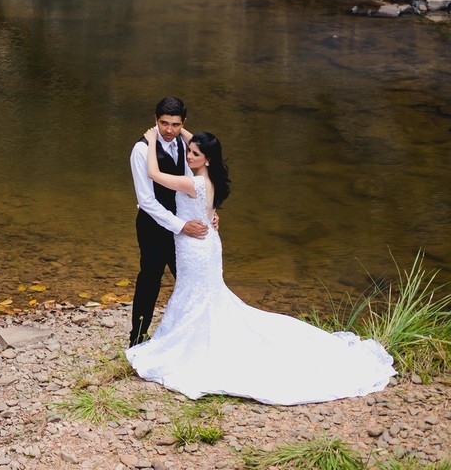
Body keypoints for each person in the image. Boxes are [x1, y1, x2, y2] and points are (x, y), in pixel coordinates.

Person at [125, 128, 396, 404]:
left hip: (197, 249)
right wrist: (182, 130)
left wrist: (151, 140)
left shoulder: (194, 184)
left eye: (195, 153)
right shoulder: (208, 179)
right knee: (198, 295)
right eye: (189, 150)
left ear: (206, 159)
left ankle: (193, 349)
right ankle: (189, 341)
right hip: (202, 245)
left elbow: (155, 175)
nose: (189, 155)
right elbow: (200, 161)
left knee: (197, 296)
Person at [129, 97, 212, 347]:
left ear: (183, 123)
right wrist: (181, 225)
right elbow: (146, 200)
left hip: (181, 226)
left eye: (175, 125)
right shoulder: (142, 150)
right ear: (155, 121)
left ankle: (194, 336)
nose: (168, 130)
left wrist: (206, 215)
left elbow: (191, 188)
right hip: (153, 226)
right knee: (150, 279)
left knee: (189, 278)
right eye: (163, 123)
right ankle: (138, 338)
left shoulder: (186, 147)